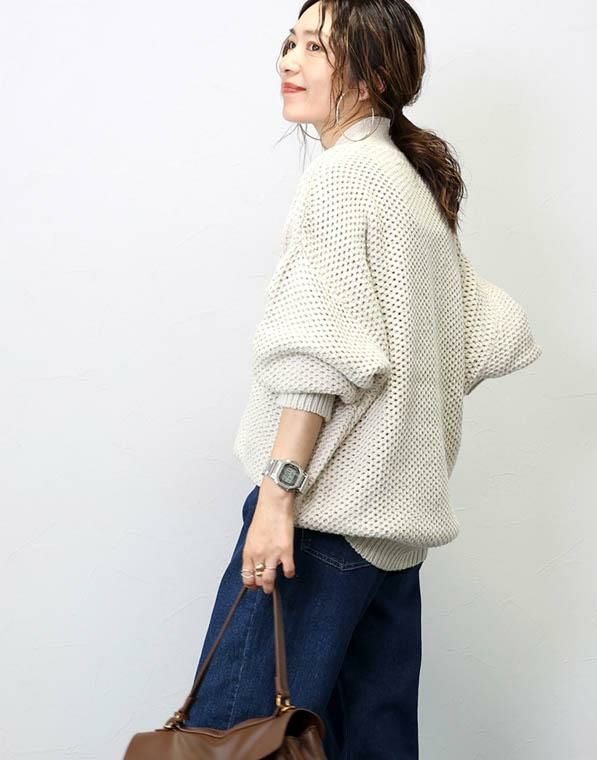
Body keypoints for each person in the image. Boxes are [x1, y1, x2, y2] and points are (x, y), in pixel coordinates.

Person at [181, 1, 542, 757]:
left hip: (321, 517)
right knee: (371, 743)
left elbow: (319, 356)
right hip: (391, 535)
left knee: (233, 738)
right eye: (290, 41)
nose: (289, 60)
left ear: (372, 73)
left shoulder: (344, 177)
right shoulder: (409, 184)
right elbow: (483, 333)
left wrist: (278, 496)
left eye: (316, 47)